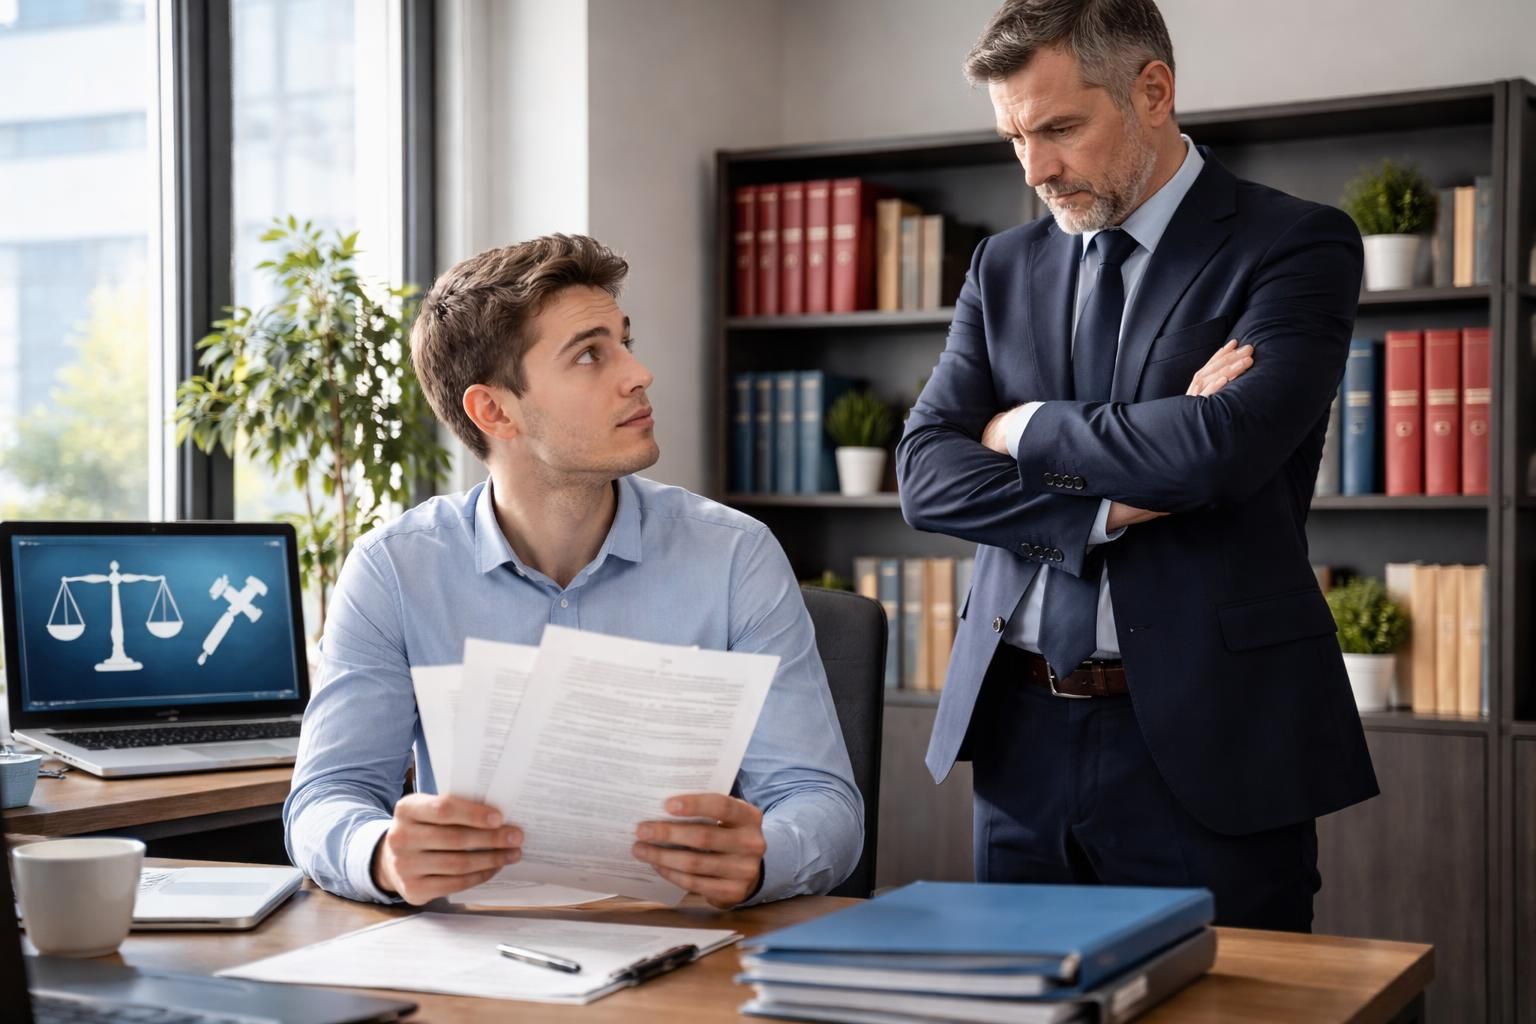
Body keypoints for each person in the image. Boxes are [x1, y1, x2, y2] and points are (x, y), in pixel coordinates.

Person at [896, 0, 1377, 932]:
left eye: (1061, 128)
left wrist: (1020, 425)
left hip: (1212, 743)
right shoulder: (1002, 264)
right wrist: (1106, 508)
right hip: (1018, 733)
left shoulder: (1295, 244)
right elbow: (924, 473)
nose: (1036, 170)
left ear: (1152, 91)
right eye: (1014, 138)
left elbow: (1215, 452)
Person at [284, 234, 862, 909]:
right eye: (591, 353)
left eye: (625, 341)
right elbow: (325, 799)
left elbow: (823, 804)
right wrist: (381, 854)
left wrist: (766, 857)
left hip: (685, 954)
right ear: (494, 409)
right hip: (474, 966)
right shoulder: (394, 570)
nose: (638, 372)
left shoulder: (736, 555)